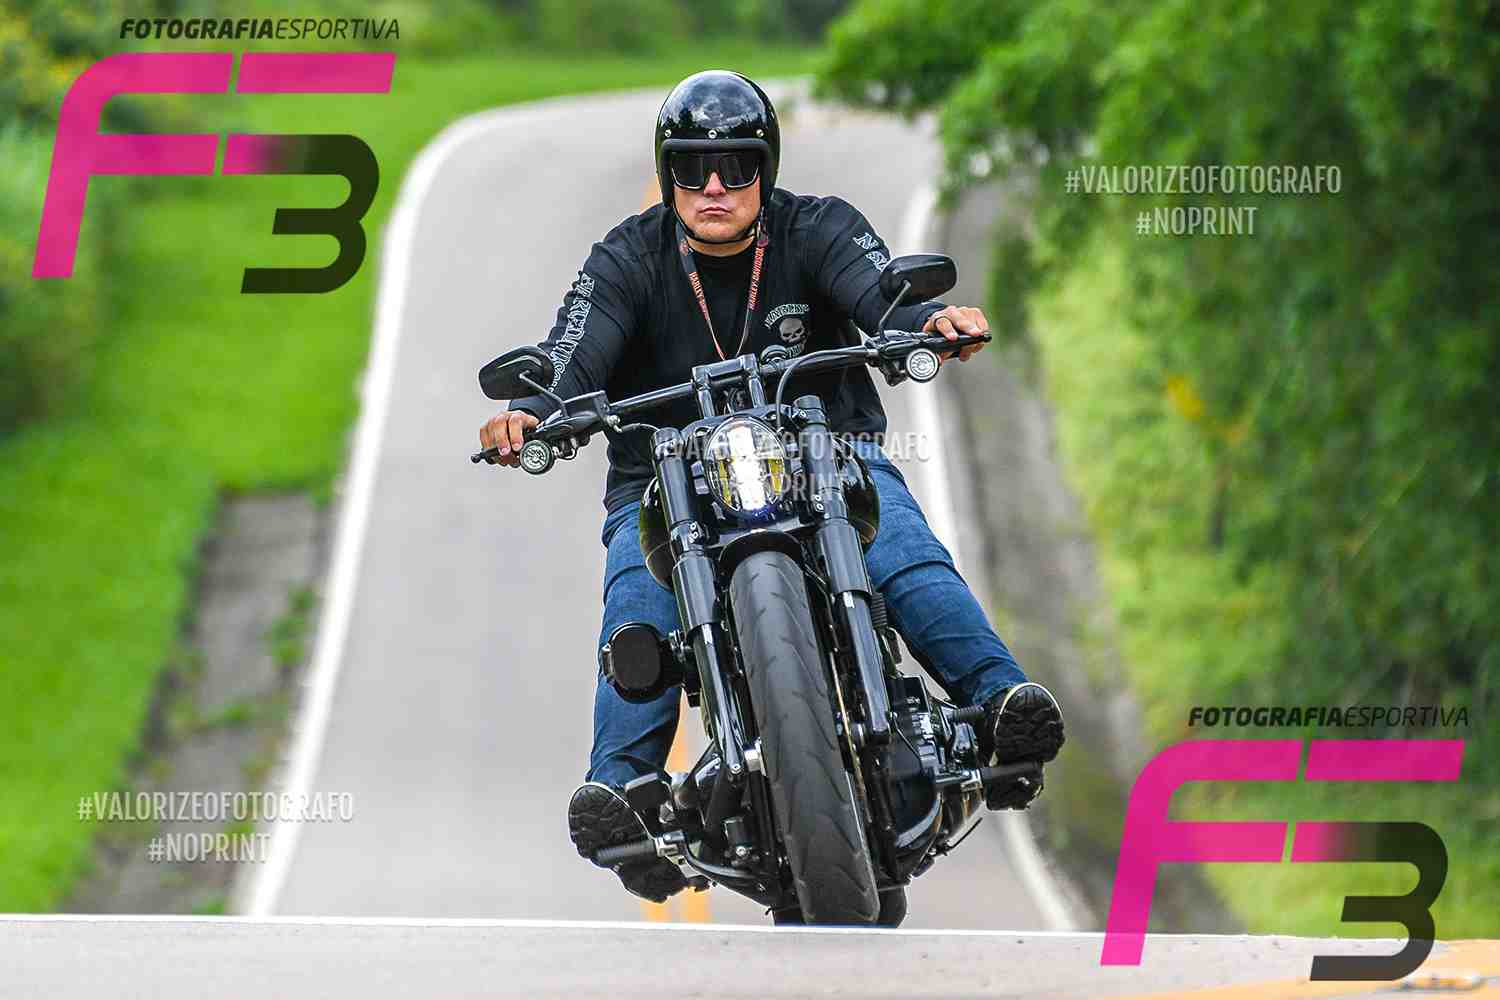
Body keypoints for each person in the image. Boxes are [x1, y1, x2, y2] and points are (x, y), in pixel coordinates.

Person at [479, 71, 1064, 904]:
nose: (714, 186)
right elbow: (572, 354)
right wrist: (533, 411)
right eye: (692, 168)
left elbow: (883, 296)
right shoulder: (626, 259)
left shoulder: (819, 228)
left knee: (901, 545)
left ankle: (1001, 702)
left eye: (737, 166)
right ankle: (620, 792)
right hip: (666, 485)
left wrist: (925, 325)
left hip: (825, 458)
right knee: (636, 602)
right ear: (669, 173)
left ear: (767, 167)